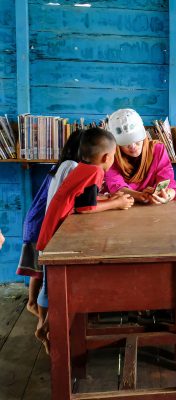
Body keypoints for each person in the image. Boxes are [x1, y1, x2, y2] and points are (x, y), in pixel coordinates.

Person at [35, 127, 134, 352]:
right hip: (55, 238)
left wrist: (107, 197)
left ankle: (47, 327)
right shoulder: (95, 172)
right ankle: (49, 331)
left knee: (54, 288)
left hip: (53, 232)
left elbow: (81, 199)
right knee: (55, 289)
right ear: (107, 157)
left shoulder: (81, 168)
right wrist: (116, 204)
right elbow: (86, 208)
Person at [15, 130, 83, 318]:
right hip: (41, 221)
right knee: (40, 266)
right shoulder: (72, 166)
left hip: (37, 217)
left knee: (39, 267)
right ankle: (32, 304)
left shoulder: (62, 164)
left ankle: (33, 304)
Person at [105, 108, 176, 205]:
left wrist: (167, 196)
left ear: (143, 133)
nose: (132, 146)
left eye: (135, 138)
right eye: (125, 142)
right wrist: (140, 195)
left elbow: (168, 183)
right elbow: (115, 186)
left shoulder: (157, 149)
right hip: (122, 208)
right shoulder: (111, 155)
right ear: (116, 143)